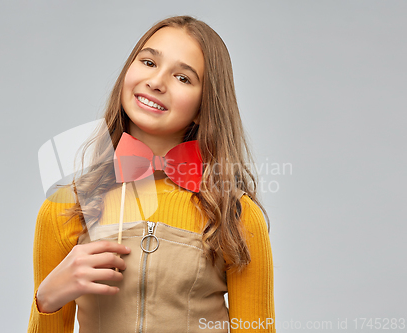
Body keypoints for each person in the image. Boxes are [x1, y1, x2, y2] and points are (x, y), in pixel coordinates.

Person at [28, 15, 275, 333]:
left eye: (183, 78)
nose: (157, 82)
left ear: (204, 107)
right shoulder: (64, 207)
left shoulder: (236, 216)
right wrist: (47, 299)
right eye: (148, 62)